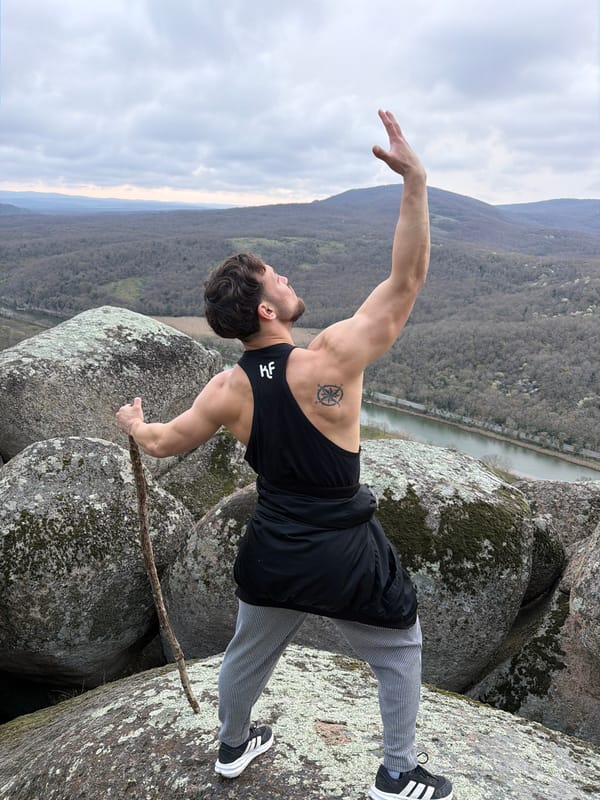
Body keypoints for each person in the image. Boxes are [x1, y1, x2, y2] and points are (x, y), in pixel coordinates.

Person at [116, 110, 452, 800]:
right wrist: (414, 181)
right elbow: (407, 279)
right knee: (398, 648)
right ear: (267, 310)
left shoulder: (226, 390)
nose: (288, 279)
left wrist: (133, 423)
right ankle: (396, 774)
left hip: (273, 546)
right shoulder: (330, 360)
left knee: (248, 649)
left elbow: (163, 442)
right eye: (278, 278)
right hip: (346, 549)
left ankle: (232, 746)